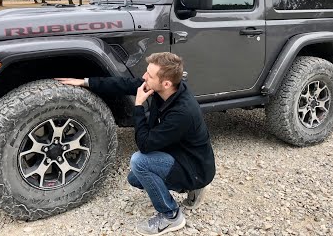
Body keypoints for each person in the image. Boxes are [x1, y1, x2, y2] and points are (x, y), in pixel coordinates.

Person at [56, 52, 215, 235]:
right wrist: (85, 82)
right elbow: (123, 84)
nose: (144, 78)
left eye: (149, 75)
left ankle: (171, 215)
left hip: (195, 167)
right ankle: (191, 187)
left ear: (166, 83)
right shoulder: (166, 89)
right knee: (135, 178)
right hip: (182, 156)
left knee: (140, 162)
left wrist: (138, 106)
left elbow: (145, 145)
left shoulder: (182, 113)